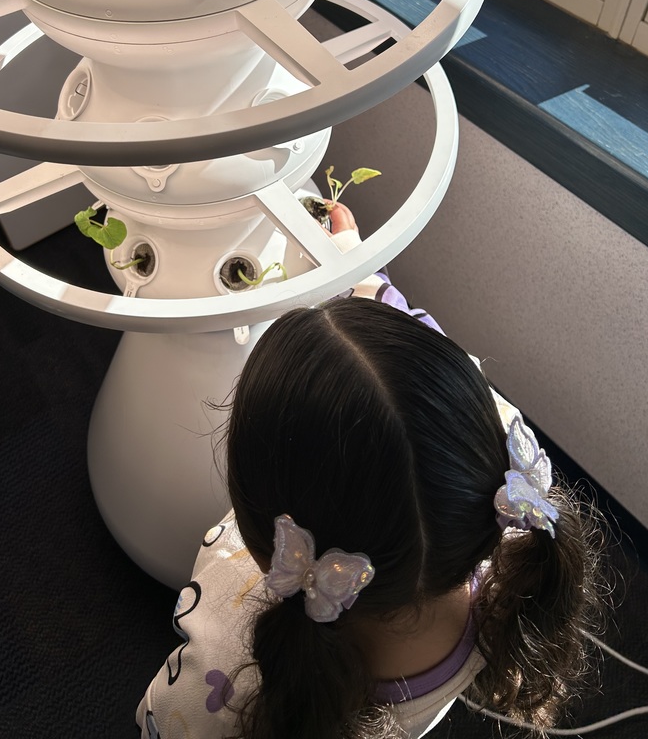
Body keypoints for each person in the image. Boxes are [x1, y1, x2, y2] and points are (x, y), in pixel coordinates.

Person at [138, 205, 605, 739]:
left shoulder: (228, 648)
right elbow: (429, 369)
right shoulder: (509, 521)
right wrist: (362, 270)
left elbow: (169, 720)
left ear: (273, 539)